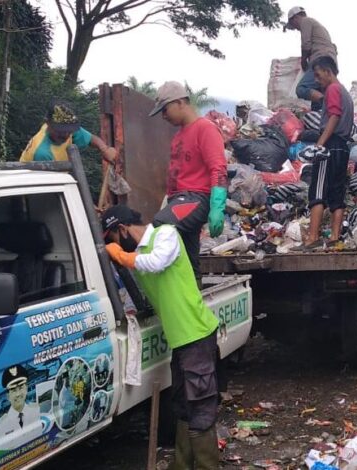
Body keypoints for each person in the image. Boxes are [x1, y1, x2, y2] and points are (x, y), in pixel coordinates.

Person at [102, 204, 220, 470]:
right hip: (181, 341)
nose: (115, 245)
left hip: (197, 335)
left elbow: (156, 262)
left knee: (200, 408)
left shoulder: (165, 235)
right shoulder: (140, 251)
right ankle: (182, 464)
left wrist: (121, 256)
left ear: (122, 229)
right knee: (182, 405)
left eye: (113, 239)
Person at [148, 81, 227, 276]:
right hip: (180, 199)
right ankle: (196, 298)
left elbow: (219, 168)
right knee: (188, 262)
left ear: (180, 102)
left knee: (161, 223)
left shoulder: (205, 129)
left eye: (165, 110)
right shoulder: (178, 137)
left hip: (196, 198)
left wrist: (217, 207)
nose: (164, 116)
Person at [295, 56, 354, 251]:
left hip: (329, 145)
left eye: (319, 76)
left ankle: (312, 238)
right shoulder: (345, 92)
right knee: (337, 192)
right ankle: (335, 238)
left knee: (318, 191)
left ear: (329, 72)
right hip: (342, 147)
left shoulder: (333, 89)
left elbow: (334, 116)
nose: (317, 81)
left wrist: (320, 144)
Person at [20, 102, 117, 163]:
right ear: (47, 123)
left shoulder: (67, 129)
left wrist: (105, 149)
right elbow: (52, 190)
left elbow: (91, 138)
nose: (66, 135)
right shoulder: (42, 153)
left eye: (69, 131)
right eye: (61, 131)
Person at [285, 6, 338, 111]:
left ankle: (327, 101)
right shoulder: (318, 26)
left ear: (295, 17)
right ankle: (323, 117)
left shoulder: (306, 21)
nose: (295, 28)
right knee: (317, 104)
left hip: (321, 60)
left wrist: (304, 61)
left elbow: (306, 45)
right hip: (330, 63)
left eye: (293, 24)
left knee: (302, 89)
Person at [0, 364, 44, 451]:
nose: (18, 394)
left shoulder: (37, 410)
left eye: (21, 388)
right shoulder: (0, 427)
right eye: (13, 390)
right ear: (8, 396)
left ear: (26, 389)